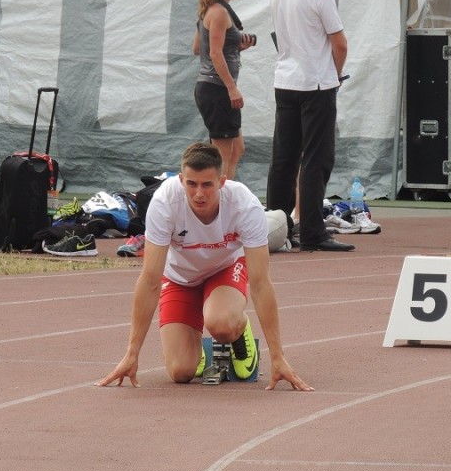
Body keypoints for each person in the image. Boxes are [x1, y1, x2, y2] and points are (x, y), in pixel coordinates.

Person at [99, 142, 314, 390]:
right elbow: (149, 280)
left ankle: (238, 329)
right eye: (191, 184)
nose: (199, 194)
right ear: (181, 180)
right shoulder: (164, 204)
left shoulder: (245, 205)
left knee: (221, 323)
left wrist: (278, 357)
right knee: (181, 372)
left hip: (224, 269)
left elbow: (261, 283)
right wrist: (131, 353)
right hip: (180, 278)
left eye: (207, 185)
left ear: (222, 182)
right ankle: (194, 343)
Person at [266, 0, 354, 252]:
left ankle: (276, 227)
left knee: (284, 158)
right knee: (316, 158)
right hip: (316, 83)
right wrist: (336, 75)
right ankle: (314, 232)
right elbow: (339, 43)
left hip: (286, 80)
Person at [192, 0, 255, 180]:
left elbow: (198, 47)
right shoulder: (218, 12)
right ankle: (219, 202)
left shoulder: (208, 10)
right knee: (222, 154)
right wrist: (231, 88)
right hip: (217, 89)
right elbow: (214, 54)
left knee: (236, 149)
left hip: (212, 87)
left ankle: (226, 197)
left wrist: (235, 46)